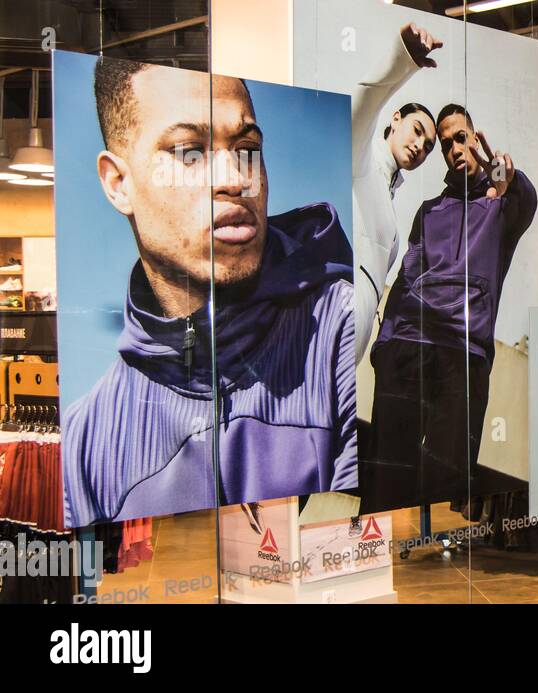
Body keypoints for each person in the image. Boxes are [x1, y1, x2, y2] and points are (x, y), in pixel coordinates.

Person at [63, 57, 357, 526]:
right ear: (119, 184)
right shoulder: (85, 441)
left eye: (246, 148)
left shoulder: (344, 331)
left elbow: (352, 550)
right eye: (188, 152)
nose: (235, 179)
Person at [364, 101, 537, 512]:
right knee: (386, 473)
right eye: (445, 144)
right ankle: (366, 560)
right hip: (409, 345)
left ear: (475, 138)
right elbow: (406, 280)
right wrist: (383, 347)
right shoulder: (429, 212)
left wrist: (508, 179)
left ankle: (438, 557)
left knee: (450, 473)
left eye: (461, 138)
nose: (454, 149)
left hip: (464, 352)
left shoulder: (501, 205)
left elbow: (524, 200)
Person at [350, 22, 440, 359]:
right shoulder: (361, 158)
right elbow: (364, 102)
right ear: (396, 119)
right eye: (417, 131)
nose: (420, 146)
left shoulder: (389, 197)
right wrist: (402, 60)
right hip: (331, 330)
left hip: (354, 348)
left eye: (429, 146)